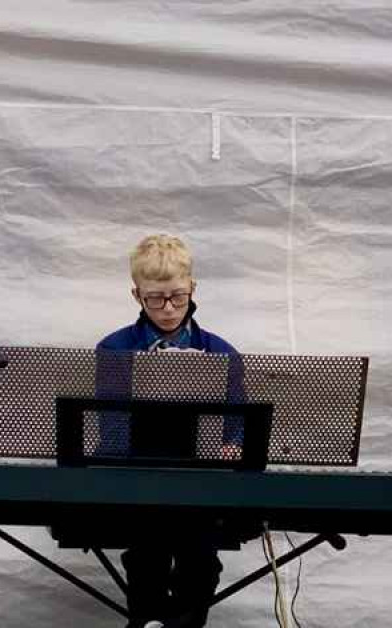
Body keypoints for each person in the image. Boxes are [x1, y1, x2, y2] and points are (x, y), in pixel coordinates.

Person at [97, 234, 238, 628]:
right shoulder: (114, 350)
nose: (168, 309)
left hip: (202, 488)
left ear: (193, 289)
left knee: (201, 563)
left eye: (177, 296)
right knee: (146, 558)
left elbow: (239, 423)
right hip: (138, 483)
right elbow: (109, 427)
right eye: (154, 299)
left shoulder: (222, 353)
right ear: (136, 295)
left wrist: (232, 444)